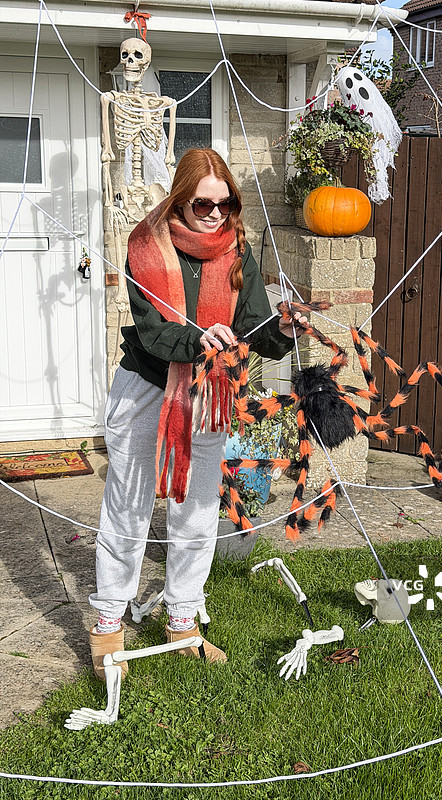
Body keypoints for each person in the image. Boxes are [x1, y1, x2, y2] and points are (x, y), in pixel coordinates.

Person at [89, 148, 301, 679]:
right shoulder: (145, 246)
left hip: (207, 393)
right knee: (129, 508)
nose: (214, 213)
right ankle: (108, 626)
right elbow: (153, 332)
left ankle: (183, 621)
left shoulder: (238, 250)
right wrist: (199, 338)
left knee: (198, 510)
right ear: (180, 198)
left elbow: (253, 327)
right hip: (144, 388)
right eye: (202, 202)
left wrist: (282, 329)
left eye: (224, 202)